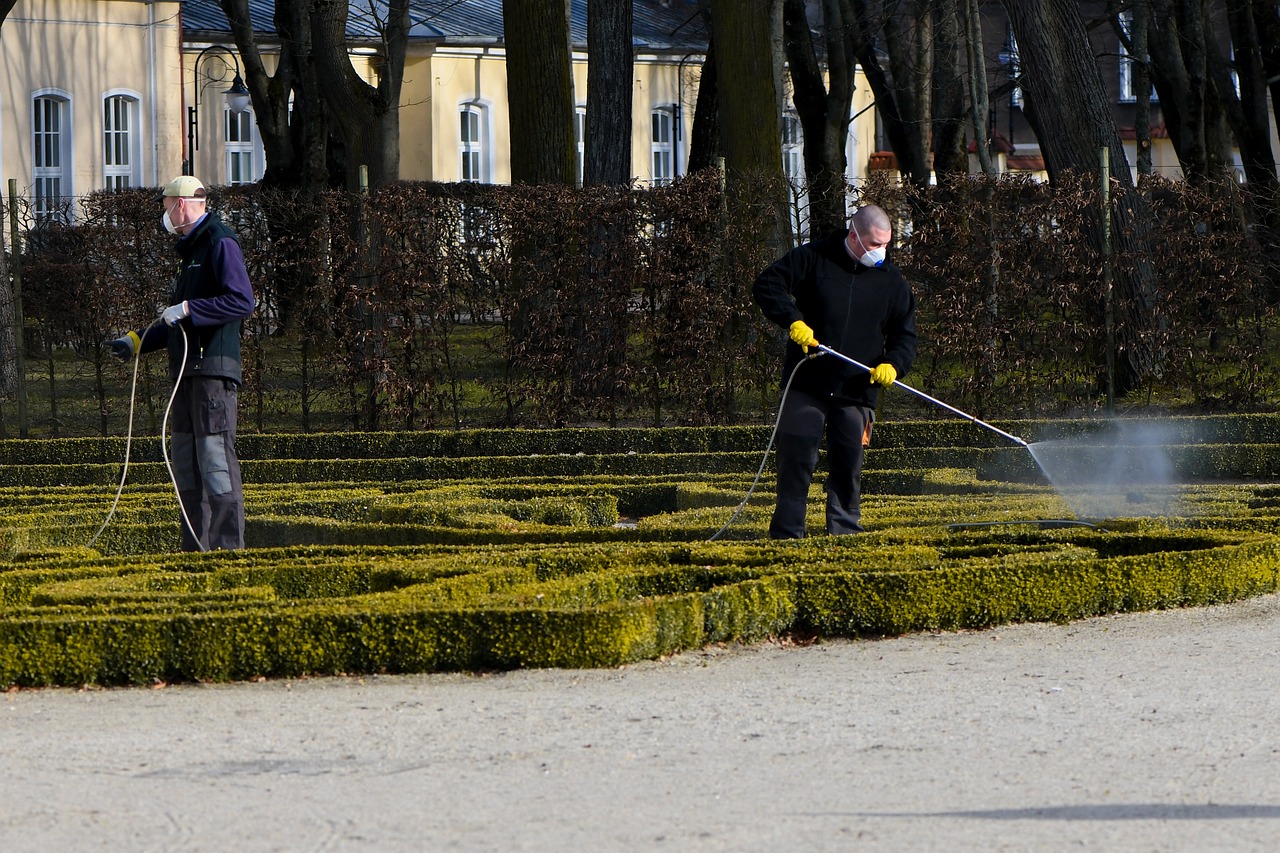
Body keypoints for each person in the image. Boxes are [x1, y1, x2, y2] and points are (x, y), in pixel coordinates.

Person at [752, 204, 917, 538]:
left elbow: (905, 336)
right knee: (796, 462)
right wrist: (793, 321)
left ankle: (844, 533)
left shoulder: (892, 282)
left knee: (848, 465)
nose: (880, 252)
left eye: (885, 245)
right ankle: (787, 534)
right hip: (807, 383)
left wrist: (893, 365)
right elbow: (768, 283)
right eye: (873, 244)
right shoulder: (814, 257)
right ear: (853, 235)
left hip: (857, 390)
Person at [109, 176, 256, 551]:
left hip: (212, 374)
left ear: (181, 204)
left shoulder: (219, 241)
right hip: (186, 375)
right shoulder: (190, 251)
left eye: (165, 205)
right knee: (187, 466)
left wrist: (192, 307)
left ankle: (226, 553)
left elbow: (241, 301)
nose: (165, 214)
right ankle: (194, 553)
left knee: (214, 463)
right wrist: (138, 340)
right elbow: (176, 323)